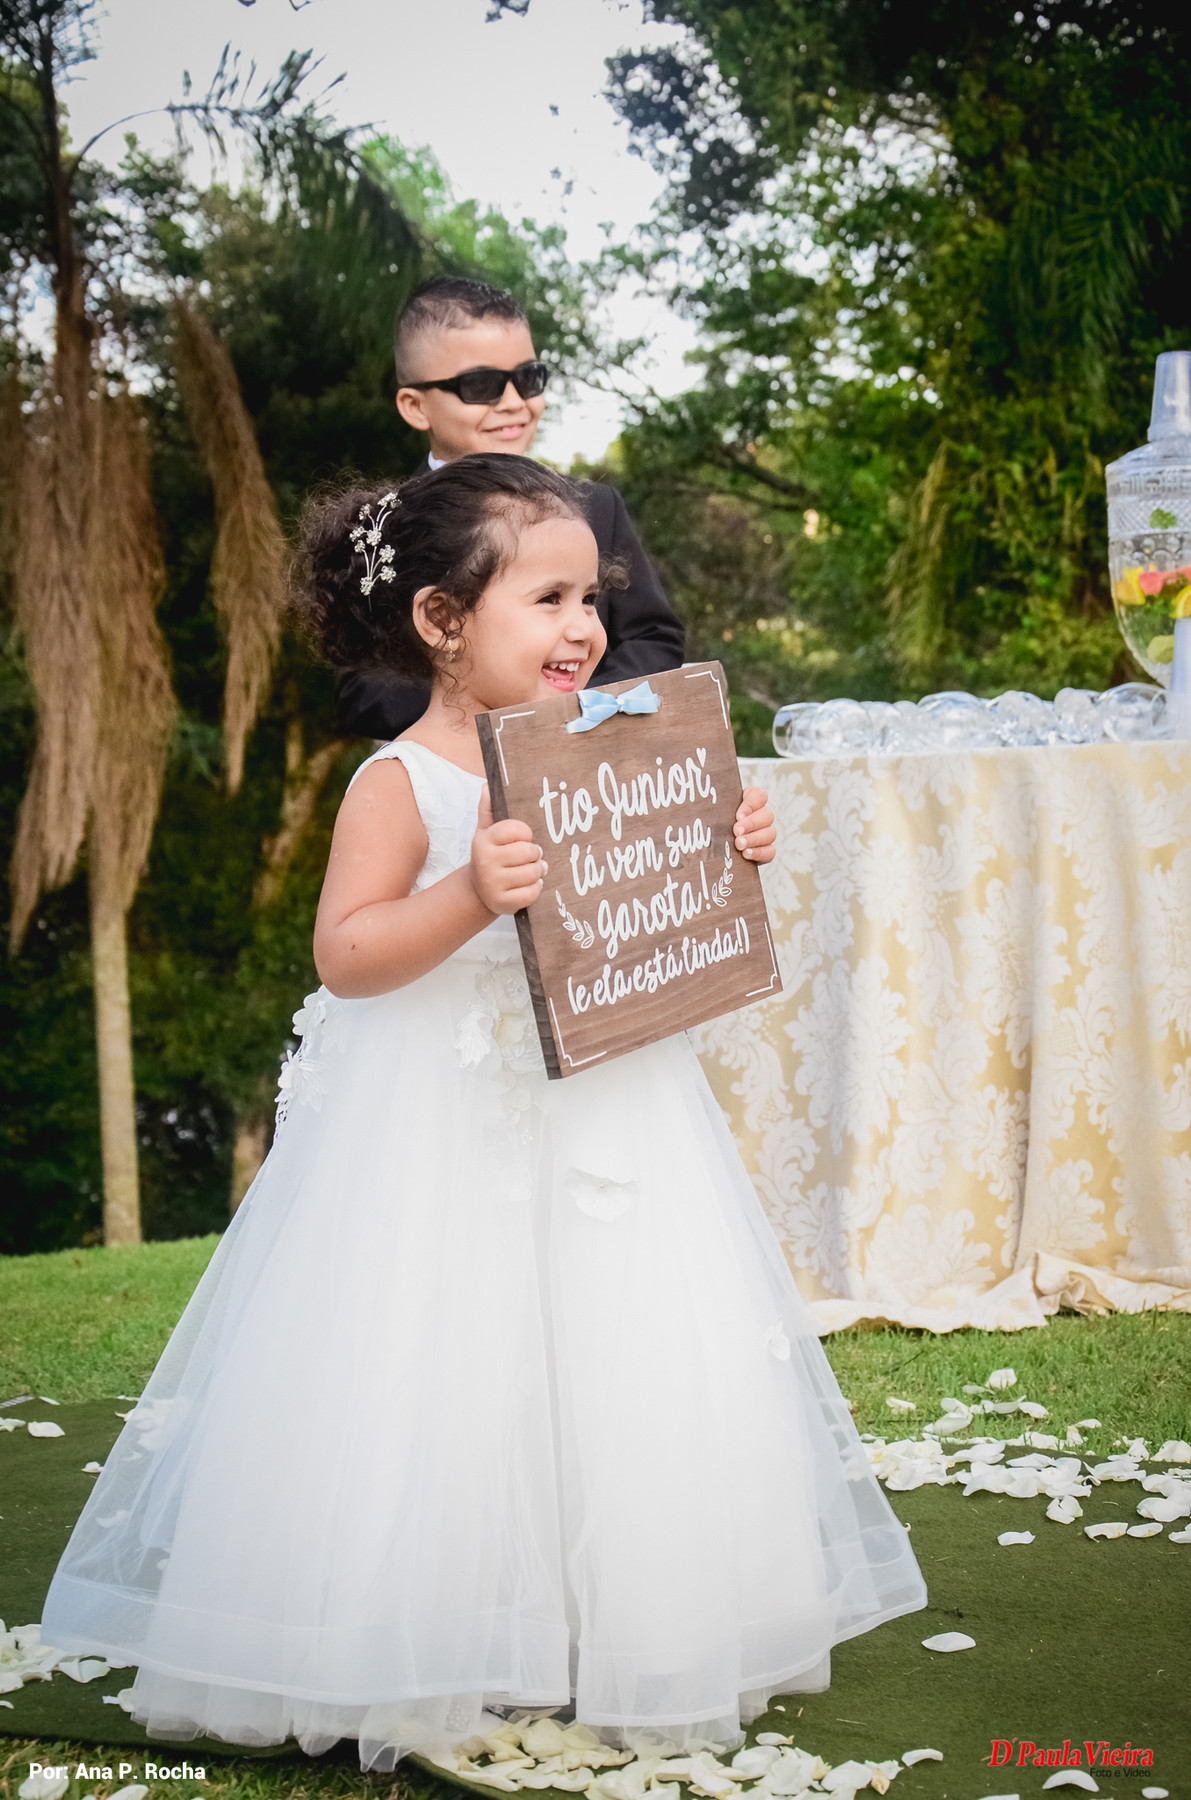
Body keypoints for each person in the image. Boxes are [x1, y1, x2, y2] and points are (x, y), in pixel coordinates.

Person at [42, 456, 925, 1774]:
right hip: (438, 1136)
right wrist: (465, 894)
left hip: (608, 1119)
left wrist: (712, 844)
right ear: (442, 622)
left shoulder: (610, 752)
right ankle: (420, 1624)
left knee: (615, 1359)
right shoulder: (399, 782)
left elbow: (651, 928)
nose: (582, 625)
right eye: (548, 596)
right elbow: (348, 951)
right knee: (439, 1366)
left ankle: (611, 1620)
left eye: (594, 596)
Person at [336, 275, 686, 739]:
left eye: (528, 378)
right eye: (481, 385)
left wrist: (570, 705)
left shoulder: (595, 507)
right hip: (445, 775)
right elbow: (362, 691)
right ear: (415, 406)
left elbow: (653, 639)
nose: (514, 402)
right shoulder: (384, 527)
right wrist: (502, 703)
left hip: (582, 768)